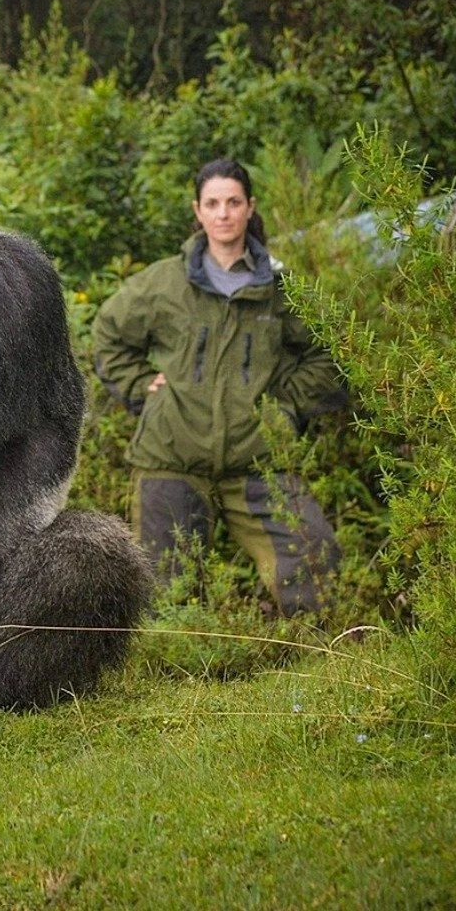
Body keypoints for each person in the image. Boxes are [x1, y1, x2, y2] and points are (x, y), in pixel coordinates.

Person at [92, 158, 347, 617]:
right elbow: (108, 334)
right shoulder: (163, 283)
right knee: (165, 592)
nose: (224, 213)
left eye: (233, 202)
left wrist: (284, 408)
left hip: (258, 458)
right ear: (198, 211)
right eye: (213, 203)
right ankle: (171, 676)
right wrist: (141, 388)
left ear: (250, 208)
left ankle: (308, 656)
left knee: (314, 558)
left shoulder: (280, 288)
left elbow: (331, 353)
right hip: (172, 455)